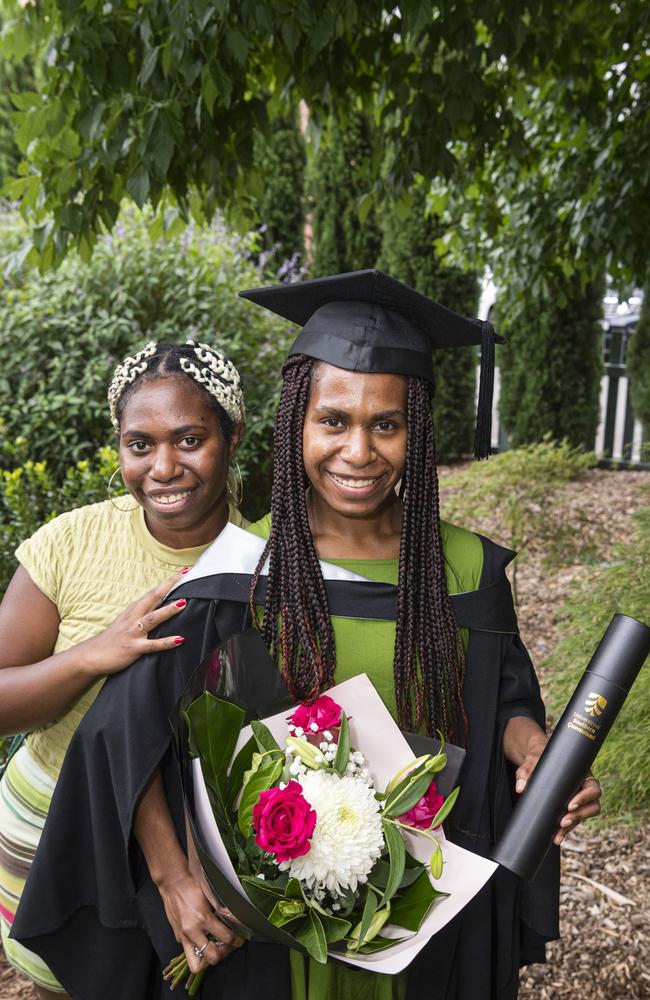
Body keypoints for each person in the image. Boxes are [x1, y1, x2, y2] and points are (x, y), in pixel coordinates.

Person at [12, 271, 601, 1000]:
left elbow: (502, 697)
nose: (359, 450)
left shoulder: (467, 570)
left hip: (427, 913)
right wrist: (172, 876)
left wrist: (536, 753)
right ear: (296, 423)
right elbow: (124, 734)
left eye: (386, 423)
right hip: (272, 943)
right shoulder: (235, 576)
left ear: (416, 430)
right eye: (334, 420)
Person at [0, 338, 245, 999]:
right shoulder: (71, 543)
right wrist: (91, 655)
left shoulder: (262, 566)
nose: (164, 466)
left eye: (189, 439)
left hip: (195, 867)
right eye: (141, 444)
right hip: (54, 840)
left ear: (233, 436)